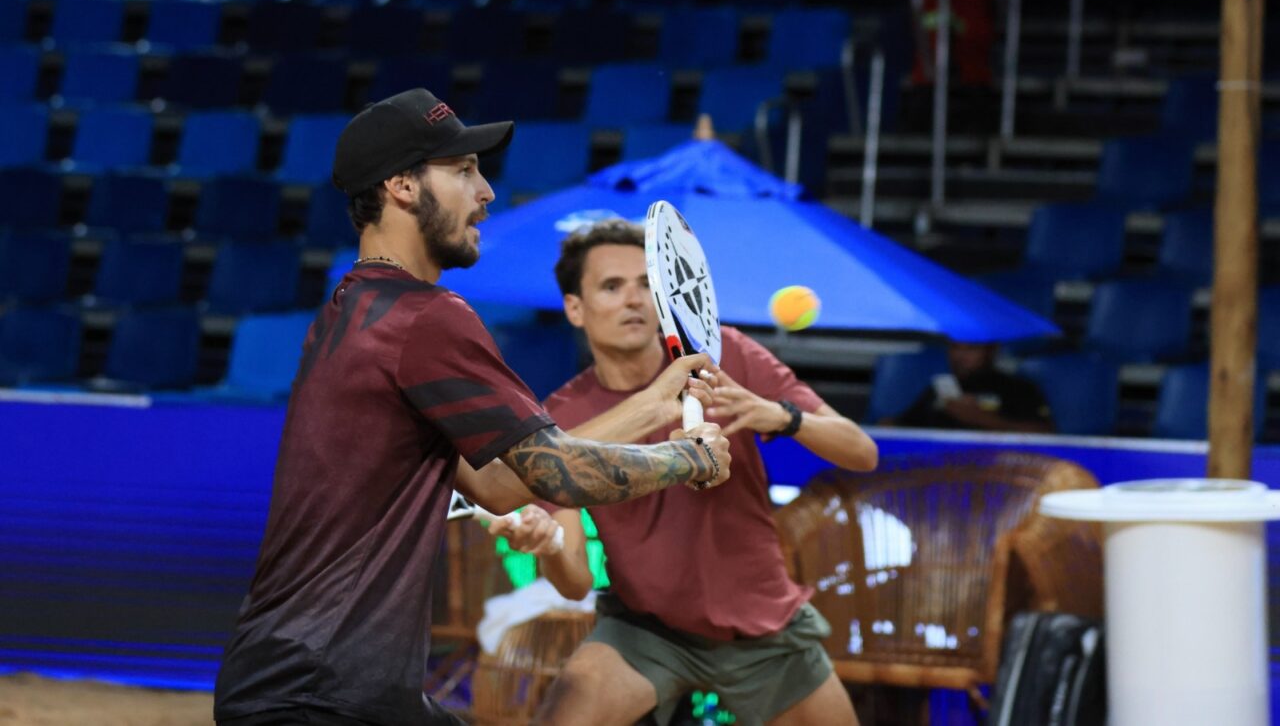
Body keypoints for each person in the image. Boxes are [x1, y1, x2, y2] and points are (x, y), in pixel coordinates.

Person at [213, 90, 732, 726]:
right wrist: (690, 459)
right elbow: (557, 474)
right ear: (402, 186)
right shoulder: (426, 318)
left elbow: (500, 484)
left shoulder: (353, 313)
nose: (485, 192)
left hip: (313, 685)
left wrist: (653, 403)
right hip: (319, 695)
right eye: (462, 171)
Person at [491, 218, 879, 726]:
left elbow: (862, 452)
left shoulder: (726, 354)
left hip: (763, 628)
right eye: (612, 286)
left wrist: (781, 416)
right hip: (647, 630)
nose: (635, 300)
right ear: (575, 309)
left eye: (647, 284)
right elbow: (574, 583)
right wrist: (549, 550)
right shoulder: (563, 417)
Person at [885, 340, 1054, 432]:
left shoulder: (1017, 388)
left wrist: (983, 419)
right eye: (955, 347)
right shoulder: (939, 388)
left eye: (971, 348)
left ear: (991, 350)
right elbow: (904, 426)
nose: (960, 356)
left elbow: (1045, 432)